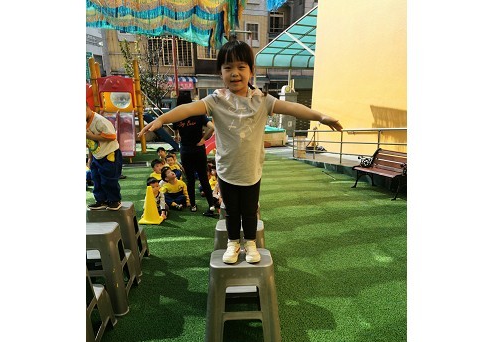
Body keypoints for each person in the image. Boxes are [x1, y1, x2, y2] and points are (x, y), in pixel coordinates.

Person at [139, 37, 342, 263]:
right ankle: (233, 243)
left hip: (251, 171)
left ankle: (251, 243)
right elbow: (187, 109)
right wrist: (162, 119)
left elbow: (292, 107)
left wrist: (320, 116)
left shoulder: (262, 100)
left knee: (250, 210)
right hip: (227, 170)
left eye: (241, 67)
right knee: (231, 211)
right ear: (221, 72)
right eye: (228, 68)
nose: (235, 73)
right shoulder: (216, 100)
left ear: (251, 70)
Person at [172, 91, 218, 217]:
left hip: (186, 150)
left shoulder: (177, 114)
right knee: (203, 178)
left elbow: (175, 130)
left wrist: (177, 136)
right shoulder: (198, 113)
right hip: (199, 150)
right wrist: (203, 139)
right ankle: (211, 205)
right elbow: (212, 127)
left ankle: (193, 205)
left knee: (190, 179)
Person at [86, 104, 123, 210]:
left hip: (109, 155)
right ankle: (101, 200)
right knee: (96, 178)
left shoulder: (99, 121)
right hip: (97, 156)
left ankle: (114, 200)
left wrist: (91, 136)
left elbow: (111, 136)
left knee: (109, 180)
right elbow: (90, 143)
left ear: (87, 108)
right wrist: (90, 157)